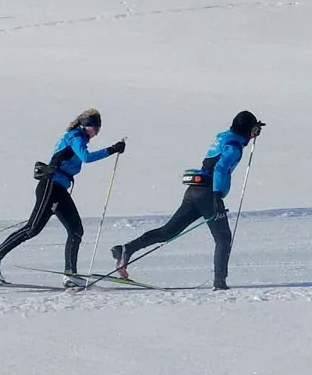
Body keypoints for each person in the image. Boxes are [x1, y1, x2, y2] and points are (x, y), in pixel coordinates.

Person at [113, 110, 263, 290]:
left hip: (194, 191)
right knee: (223, 238)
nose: (255, 133)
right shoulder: (234, 147)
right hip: (209, 194)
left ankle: (127, 249)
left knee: (167, 231)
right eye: (253, 129)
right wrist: (217, 199)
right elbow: (220, 169)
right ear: (247, 129)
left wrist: (249, 136)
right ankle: (220, 283)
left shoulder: (223, 138)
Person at [0, 108, 126, 288]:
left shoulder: (78, 137)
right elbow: (86, 158)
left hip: (59, 189)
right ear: (87, 125)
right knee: (33, 228)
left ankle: (70, 274)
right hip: (51, 186)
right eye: (96, 128)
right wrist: (112, 150)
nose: (97, 132)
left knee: (76, 230)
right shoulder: (76, 136)